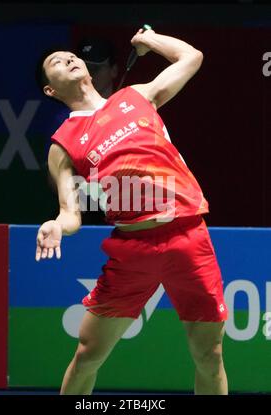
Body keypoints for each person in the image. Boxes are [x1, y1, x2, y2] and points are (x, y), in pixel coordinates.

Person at [35, 28, 228, 395]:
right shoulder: (62, 144)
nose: (69, 59)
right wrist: (56, 225)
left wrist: (150, 39)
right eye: (56, 62)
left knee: (210, 354)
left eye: (71, 56)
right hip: (131, 250)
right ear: (51, 90)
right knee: (87, 356)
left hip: (187, 237)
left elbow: (192, 57)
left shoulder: (136, 96)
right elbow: (70, 212)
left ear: (90, 71)